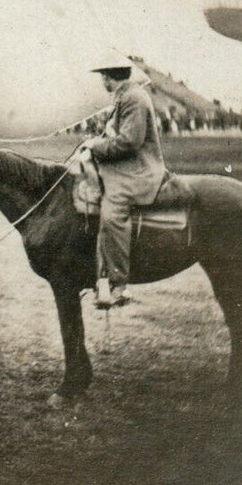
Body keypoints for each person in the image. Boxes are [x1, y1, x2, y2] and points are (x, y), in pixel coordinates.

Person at [77, 56, 165, 309]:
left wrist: (95, 146)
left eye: (102, 76)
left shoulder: (133, 98)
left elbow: (129, 142)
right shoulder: (124, 95)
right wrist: (95, 142)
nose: (102, 81)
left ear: (108, 77)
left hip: (138, 170)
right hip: (126, 166)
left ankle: (118, 285)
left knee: (112, 212)